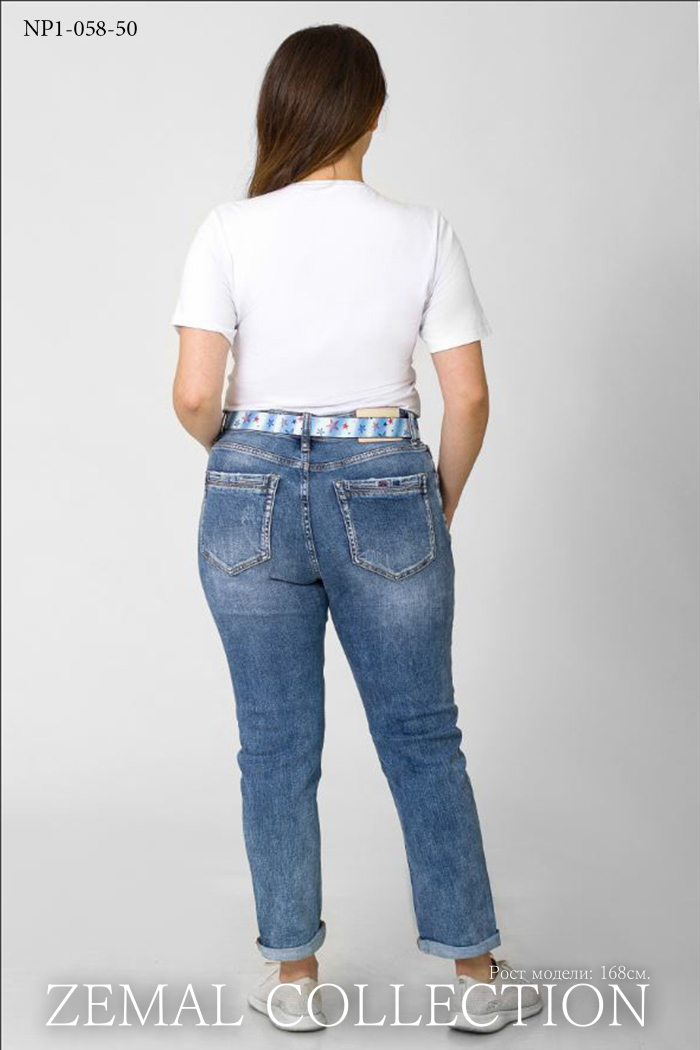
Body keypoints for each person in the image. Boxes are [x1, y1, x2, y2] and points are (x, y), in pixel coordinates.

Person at [171, 23, 541, 1034]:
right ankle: (476, 978)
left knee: (274, 743)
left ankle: (293, 979)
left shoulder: (226, 229)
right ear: (373, 113)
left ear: (280, 110)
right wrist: (434, 505)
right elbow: (468, 398)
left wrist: (244, 454)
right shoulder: (425, 232)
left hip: (248, 487)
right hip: (385, 481)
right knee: (423, 736)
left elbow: (195, 396)